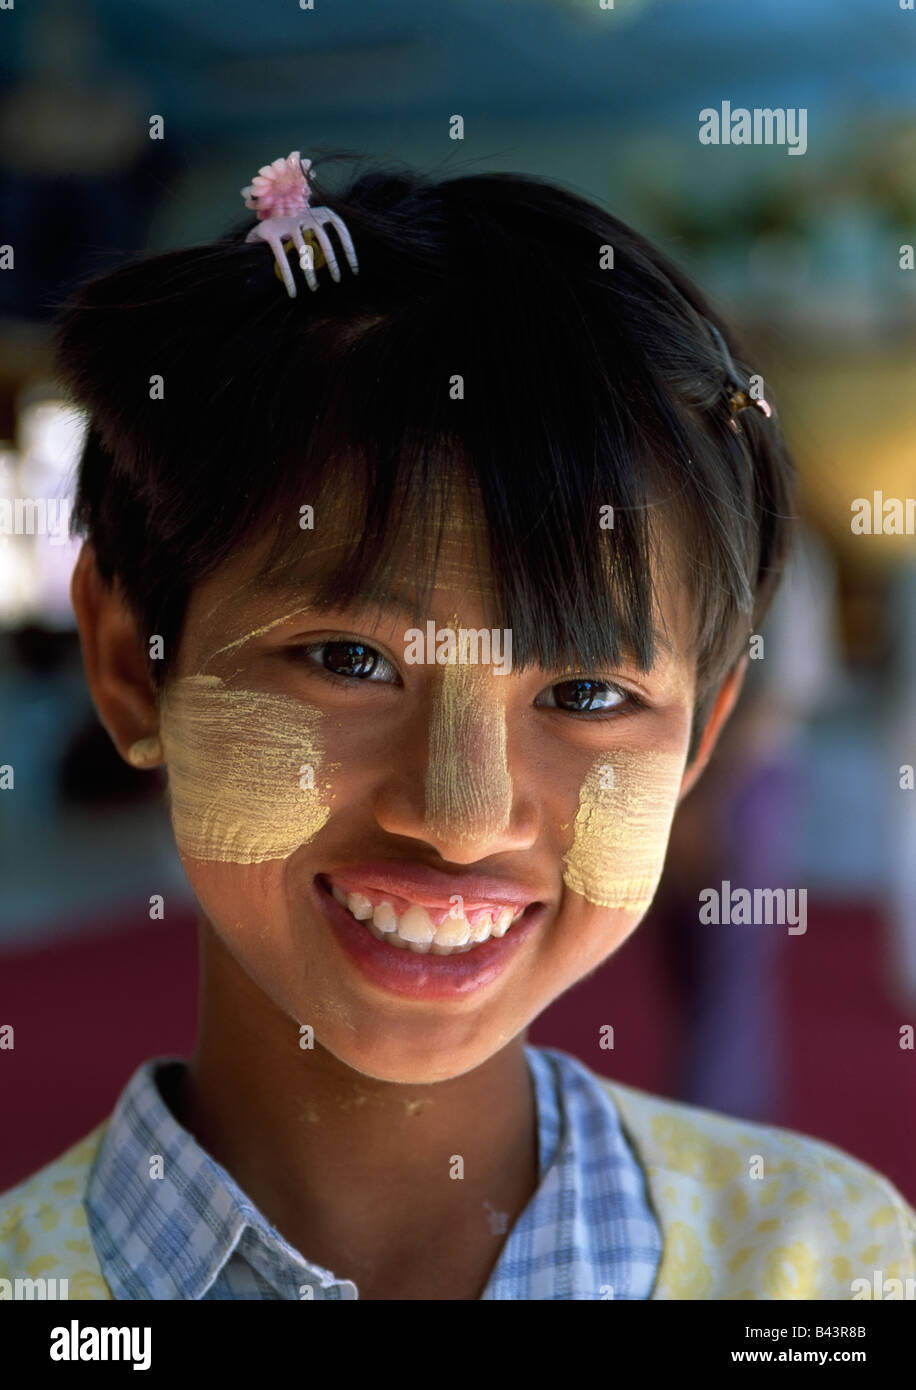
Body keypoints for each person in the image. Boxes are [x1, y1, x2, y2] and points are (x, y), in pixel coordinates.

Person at [2, 153, 912, 1301]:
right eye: (348, 660)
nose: (458, 815)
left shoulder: (829, 1266)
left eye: (586, 695)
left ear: (698, 736)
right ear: (135, 663)